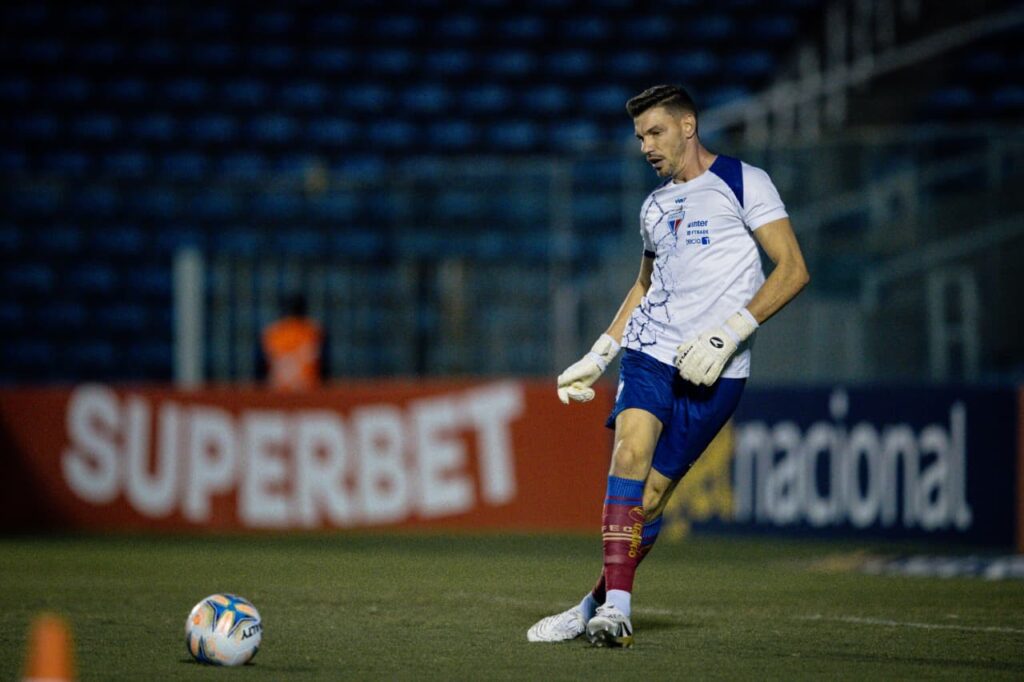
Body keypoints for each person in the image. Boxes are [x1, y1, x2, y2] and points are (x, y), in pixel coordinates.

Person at [527, 84, 810, 648]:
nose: (645, 147)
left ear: (688, 126)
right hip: (650, 352)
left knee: (652, 500)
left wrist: (731, 332)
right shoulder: (654, 205)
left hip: (717, 370)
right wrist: (600, 353)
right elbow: (645, 286)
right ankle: (618, 613)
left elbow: (793, 270)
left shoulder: (743, 182)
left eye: (655, 133)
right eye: (638, 138)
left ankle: (591, 605)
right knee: (629, 452)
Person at [261, 293, 324, 391]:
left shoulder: (272, 331)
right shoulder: (314, 330)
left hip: (279, 388)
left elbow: (263, 365)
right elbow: (323, 364)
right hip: (306, 389)